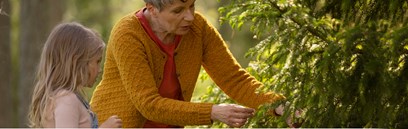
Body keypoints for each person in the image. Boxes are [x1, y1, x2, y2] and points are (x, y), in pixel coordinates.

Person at [90, 0, 292, 128]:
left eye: (192, 5)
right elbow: (148, 105)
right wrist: (212, 112)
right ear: (152, 9)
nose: (189, 16)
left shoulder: (198, 28)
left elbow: (235, 79)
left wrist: (280, 106)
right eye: (178, 10)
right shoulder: (128, 34)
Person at [28, 22, 122, 128]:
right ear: (77, 62)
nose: (100, 69)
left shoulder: (65, 98)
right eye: (97, 61)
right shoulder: (67, 100)